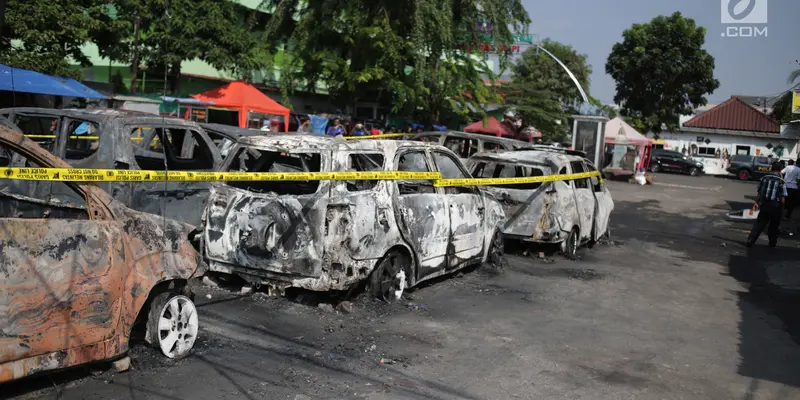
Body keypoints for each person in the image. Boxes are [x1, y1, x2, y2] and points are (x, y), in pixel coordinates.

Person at [746, 161, 789, 248]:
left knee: (759, 223)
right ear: (780, 169)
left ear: (771, 168)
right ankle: (772, 243)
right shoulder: (781, 181)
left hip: (765, 204)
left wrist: (756, 203)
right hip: (775, 206)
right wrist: (782, 209)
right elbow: (783, 197)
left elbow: (759, 192)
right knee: (774, 225)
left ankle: (751, 240)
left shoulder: (764, 178)